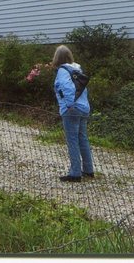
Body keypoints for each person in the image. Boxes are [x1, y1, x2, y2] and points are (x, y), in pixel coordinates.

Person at [52, 45, 94, 182]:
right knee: (83, 138)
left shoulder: (63, 71)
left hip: (72, 110)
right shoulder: (77, 69)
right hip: (83, 108)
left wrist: (69, 105)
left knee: (72, 141)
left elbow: (67, 89)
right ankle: (88, 170)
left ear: (57, 58)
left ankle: (75, 173)